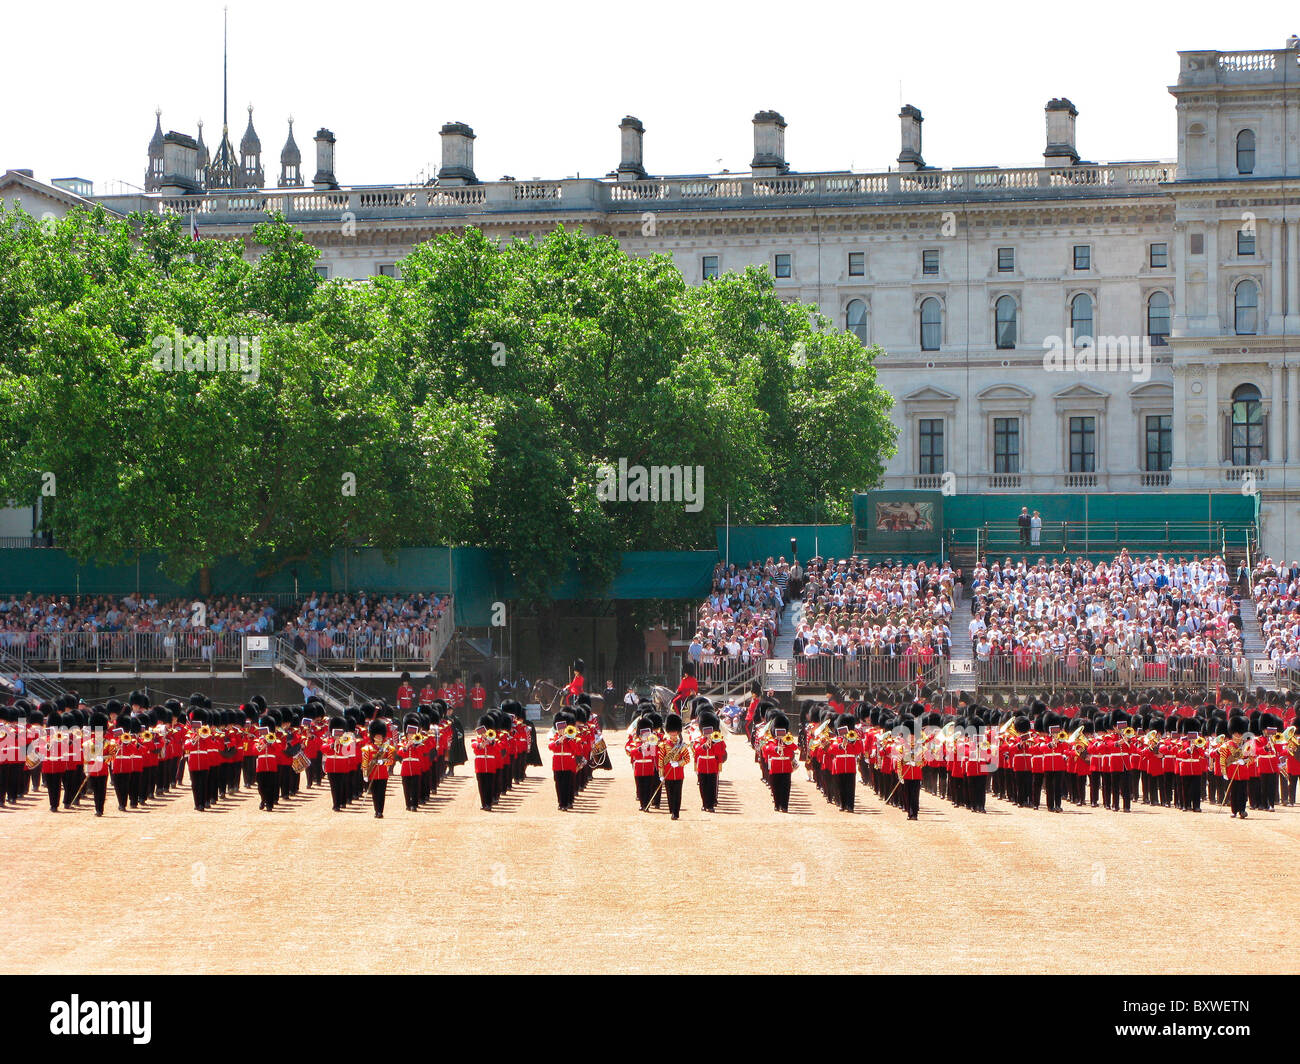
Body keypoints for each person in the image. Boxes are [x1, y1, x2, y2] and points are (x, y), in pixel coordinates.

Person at [657, 713, 690, 820]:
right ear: (668, 732)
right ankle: (672, 809)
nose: (673, 734)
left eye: (675, 732)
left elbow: (687, 759)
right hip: (668, 773)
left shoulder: (682, 745)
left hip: (679, 774)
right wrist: (661, 775)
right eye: (671, 732)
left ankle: (676, 813)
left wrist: (678, 763)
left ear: (678, 732)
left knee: (677, 793)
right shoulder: (663, 745)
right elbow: (661, 760)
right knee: (669, 793)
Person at [361, 719, 395, 818]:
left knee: (382, 793)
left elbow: (391, 761)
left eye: (380, 735)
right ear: (373, 736)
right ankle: (376, 810)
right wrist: (365, 774)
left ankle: (380, 811)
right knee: (375, 794)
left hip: (383, 774)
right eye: (377, 735)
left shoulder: (387, 748)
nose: (379, 737)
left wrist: (383, 762)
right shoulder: (368, 748)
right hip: (372, 774)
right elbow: (365, 763)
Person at [549, 711, 581, 811]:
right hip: (557, 764)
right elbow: (551, 747)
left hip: (568, 764)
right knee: (558, 784)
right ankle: (561, 803)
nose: (561, 730)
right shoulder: (555, 738)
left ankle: (568, 802)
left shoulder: (572, 737)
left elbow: (577, 750)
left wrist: (569, 739)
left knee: (568, 784)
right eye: (559, 729)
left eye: (563, 728)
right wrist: (558, 741)